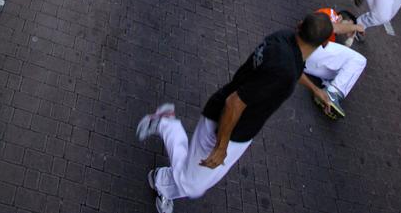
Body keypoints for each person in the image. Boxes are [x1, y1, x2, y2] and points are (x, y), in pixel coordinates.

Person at [136, 13, 333, 212]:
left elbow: (292, 70)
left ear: (300, 25)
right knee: (193, 185)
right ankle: (166, 125)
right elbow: (234, 103)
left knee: (199, 177)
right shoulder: (285, 71)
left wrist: (316, 90)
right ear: (325, 43)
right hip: (225, 125)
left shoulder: (285, 40)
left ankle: (164, 185)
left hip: (240, 131)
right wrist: (222, 146)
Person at [303, 8, 366, 119]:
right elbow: (333, 27)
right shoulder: (331, 14)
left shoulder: (331, 39)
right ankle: (331, 93)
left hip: (306, 63)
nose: (350, 32)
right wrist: (356, 27)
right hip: (308, 48)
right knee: (359, 60)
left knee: (343, 71)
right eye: (349, 25)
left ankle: (326, 94)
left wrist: (349, 38)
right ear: (340, 17)